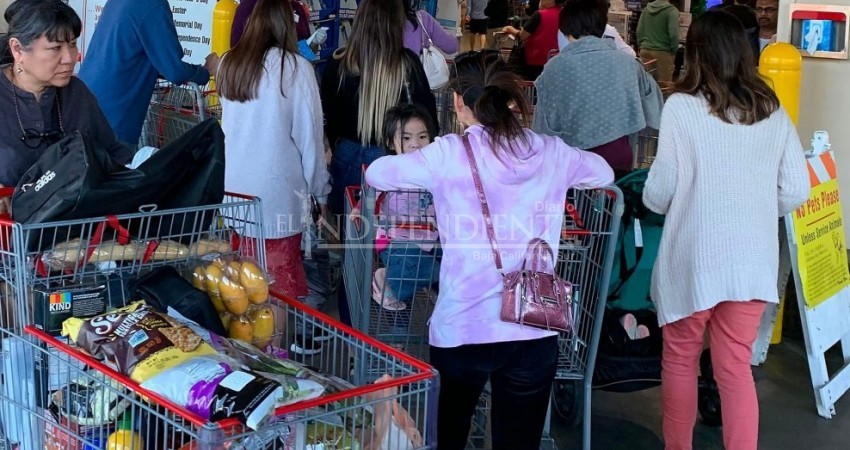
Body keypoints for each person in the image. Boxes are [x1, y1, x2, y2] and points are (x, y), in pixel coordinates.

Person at [365, 51, 614, 450]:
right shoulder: (552, 151)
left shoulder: (447, 154)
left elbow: (378, 174)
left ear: (459, 104)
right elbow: (604, 172)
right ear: (510, 101)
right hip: (534, 323)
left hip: (462, 329)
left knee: (448, 437)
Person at [642, 11, 809, 450]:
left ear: (694, 53)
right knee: (734, 369)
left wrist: (667, 199)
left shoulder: (681, 107)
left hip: (693, 258)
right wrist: (753, 210)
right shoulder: (771, 109)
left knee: (680, 360)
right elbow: (797, 187)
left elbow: (660, 192)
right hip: (752, 262)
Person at [217, 0, 330, 353]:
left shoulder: (229, 64)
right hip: (277, 200)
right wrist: (320, 192)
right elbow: (310, 141)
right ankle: (274, 360)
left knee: (239, 288)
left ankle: (243, 358)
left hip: (234, 197)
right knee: (275, 290)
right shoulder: (296, 69)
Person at [320, 0, 438, 218]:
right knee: (386, 225)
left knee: (347, 224)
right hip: (392, 159)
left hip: (345, 152)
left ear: (360, 21)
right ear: (395, 24)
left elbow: (328, 115)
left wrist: (336, 145)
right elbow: (428, 118)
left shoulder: (338, 62)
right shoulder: (408, 63)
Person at [0, 0, 133, 192]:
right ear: (18, 49)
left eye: (72, 44)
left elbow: (111, 151)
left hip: (73, 210)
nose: (70, 58)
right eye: (55, 48)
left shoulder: (77, 92)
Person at [534, 0, 663, 174]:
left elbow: (543, 124)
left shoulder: (554, 68)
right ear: (602, 26)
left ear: (565, 29)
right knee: (615, 190)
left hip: (571, 159)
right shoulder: (628, 63)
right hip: (618, 155)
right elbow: (653, 102)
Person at [78, 0, 218, 146]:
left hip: (86, 100)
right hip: (114, 117)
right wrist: (206, 71)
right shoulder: (153, 5)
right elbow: (174, 70)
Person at [370, 104, 440, 311]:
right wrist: (359, 209)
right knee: (423, 266)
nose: (415, 144)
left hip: (429, 237)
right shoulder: (387, 169)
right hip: (395, 238)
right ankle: (384, 281)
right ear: (390, 142)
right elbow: (370, 194)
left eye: (422, 137)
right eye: (406, 138)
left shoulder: (436, 169)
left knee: (453, 264)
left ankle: (425, 281)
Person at [501, 0, 563, 80]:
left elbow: (523, 35)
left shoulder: (539, 14)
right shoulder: (564, 14)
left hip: (536, 59)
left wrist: (510, 29)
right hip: (556, 59)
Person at [636, 0, 679, 84]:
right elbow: (674, 33)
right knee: (664, 85)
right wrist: (674, 50)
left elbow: (639, 31)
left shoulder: (646, 10)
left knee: (645, 84)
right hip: (663, 53)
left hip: (645, 50)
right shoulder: (671, 11)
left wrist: (641, 46)